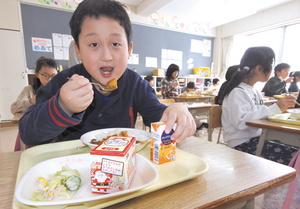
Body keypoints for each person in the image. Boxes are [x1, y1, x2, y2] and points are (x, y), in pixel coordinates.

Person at [19, 0, 196, 146]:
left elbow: (158, 116)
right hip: (73, 168)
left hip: (122, 167)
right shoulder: (63, 82)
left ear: (129, 50)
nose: (106, 56)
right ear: (78, 50)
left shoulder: (135, 84)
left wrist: (175, 111)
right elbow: (28, 134)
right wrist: (63, 106)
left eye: (115, 44)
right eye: (94, 44)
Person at [220, 46, 297, 164]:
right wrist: (276, 107)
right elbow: (242, 122)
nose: (271, 70)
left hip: (257, 138)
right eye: (270, 66)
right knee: (294, 156)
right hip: (242, 144)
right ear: (259, 68)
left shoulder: (253, 90)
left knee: (296, 150)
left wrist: (280, 111)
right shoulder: (238, 91)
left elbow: (258, 114)